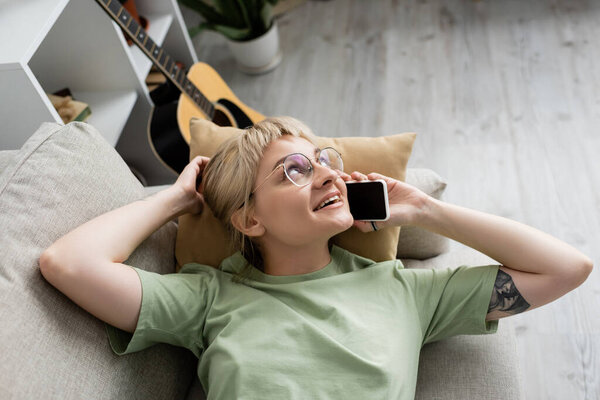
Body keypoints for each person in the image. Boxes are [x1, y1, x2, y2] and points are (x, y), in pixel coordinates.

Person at [39, 116, 593, 399]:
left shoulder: (405, 290)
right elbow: (68, 263)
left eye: (325, 160)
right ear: (250, 220)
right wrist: (178, 200)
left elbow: (568, 268)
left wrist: (426, 211)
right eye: (295, 171)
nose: (328, 171)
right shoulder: (207, 297)